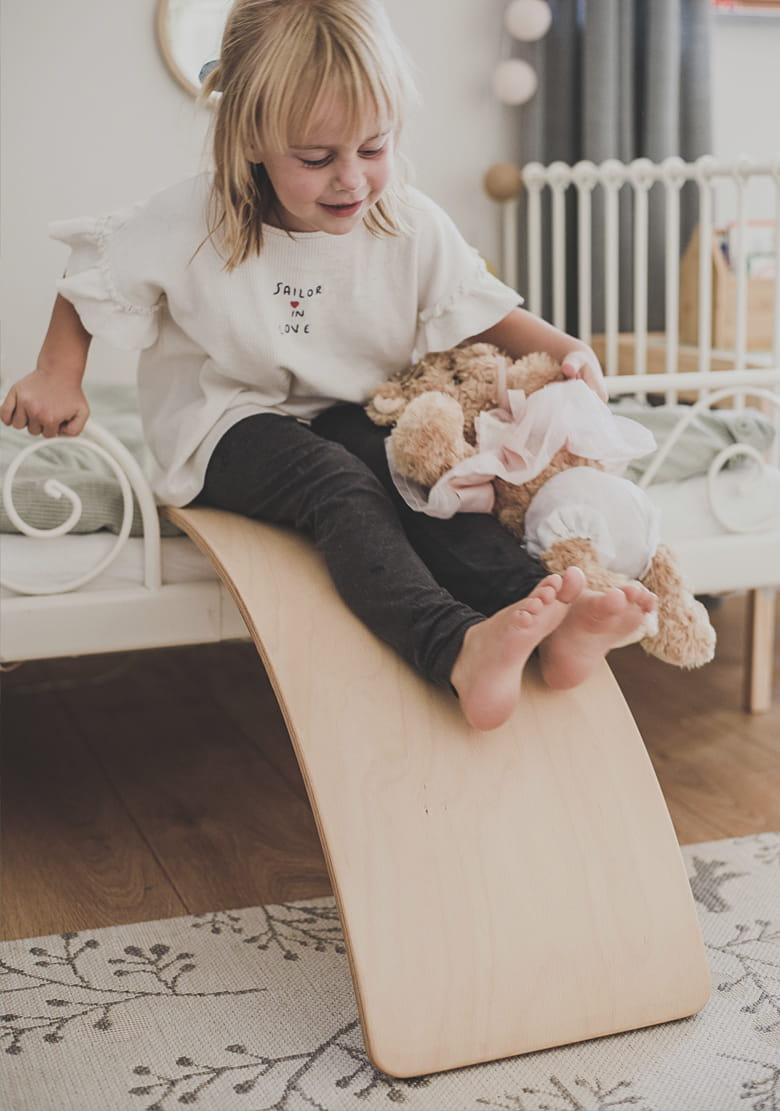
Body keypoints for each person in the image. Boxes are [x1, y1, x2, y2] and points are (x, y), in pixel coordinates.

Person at [0, 0, 655, 732]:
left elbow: (476, 305)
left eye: (373, 147)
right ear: (252, 137)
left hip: (351, 411)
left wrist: (563, 348)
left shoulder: (405, 218)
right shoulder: (193, 219)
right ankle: (454, 648)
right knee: (338, 486)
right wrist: (57, 373)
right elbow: (93, 271)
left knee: (424, 481)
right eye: (316, 159)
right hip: (223, 424)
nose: (352, 180)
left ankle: (545, 612)